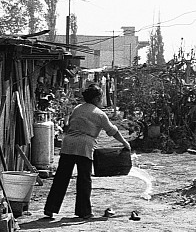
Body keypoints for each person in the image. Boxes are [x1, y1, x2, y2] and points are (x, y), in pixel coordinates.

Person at [43, 84, 131, 219]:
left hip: (68, 144)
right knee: (84, 179)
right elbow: (113, 131)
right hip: (84, 147)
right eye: (101, 97)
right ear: (96, 99)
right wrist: (125, 143)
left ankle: (50, 208)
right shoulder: (99, 114)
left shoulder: (77, 108)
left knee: (61, 178)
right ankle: (83, 211)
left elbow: (70, 124)